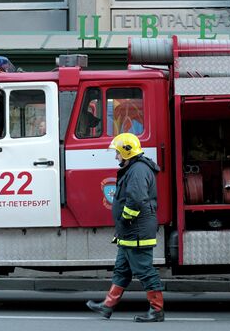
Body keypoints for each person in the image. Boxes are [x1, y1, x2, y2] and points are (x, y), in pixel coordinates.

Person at [86, 132, 164, 322]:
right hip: (129, 232)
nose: (116, 156)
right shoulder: (135, 168)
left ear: (127, 152)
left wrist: (126, 218)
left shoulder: (137, 170)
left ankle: (157, 310)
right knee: (121, 269)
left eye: (118, 153)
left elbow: (136, 199)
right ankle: (107, 306)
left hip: (136, 231)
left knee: (144, 270)